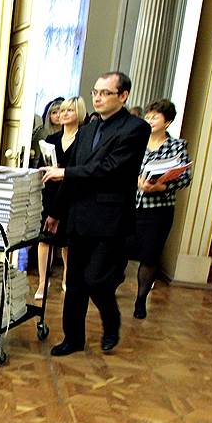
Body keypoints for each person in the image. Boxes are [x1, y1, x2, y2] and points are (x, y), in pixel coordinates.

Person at [43, 71, 149, 356]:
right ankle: (73, 338)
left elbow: (111, 168)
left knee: (96, 280)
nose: (98, 98)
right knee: (75, 282)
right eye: (95, 92)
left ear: (123, 95)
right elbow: (73, 177)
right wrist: (55, 213)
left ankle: (111, 322)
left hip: (110, 220)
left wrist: (66, 172)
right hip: (79, 217)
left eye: (105, 93)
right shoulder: (87, 130)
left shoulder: (136, 128)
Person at [129, 99, 192, 319]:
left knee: (150, 255)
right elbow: (123, 168)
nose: (150, 120)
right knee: (119, 250)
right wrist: (137, 182)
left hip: (158, 210)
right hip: (132, 206)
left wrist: (161, 186)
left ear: (167, 122)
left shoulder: (176, 146)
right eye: (148, 116)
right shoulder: (136, 141)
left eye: (155, 117)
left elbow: (185, 177)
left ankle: (140, 300)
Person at [34, 96, 86, 300]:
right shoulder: (51, 140)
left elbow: (83, 170)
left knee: (68, 242)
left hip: (74, 196)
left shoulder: (84, 140)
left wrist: (63, 172)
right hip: (50, 193)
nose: (64, 114)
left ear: (79, 113)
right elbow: (41, 164)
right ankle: (42, 282)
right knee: (45, 239)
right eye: (62, 110)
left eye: (69, 110)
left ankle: (66, 278)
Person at [30, 97, 64, 163]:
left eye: (61, 112)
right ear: (49, 116)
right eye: (54, 113)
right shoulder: (42, 133)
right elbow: (36, 158)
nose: (58, 115)